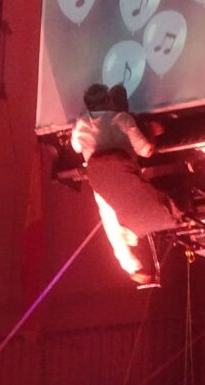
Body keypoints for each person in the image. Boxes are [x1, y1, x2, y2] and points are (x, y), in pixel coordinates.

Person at [71, 83, 179, 286]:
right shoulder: (122, 119)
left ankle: (133, 266)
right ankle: (133, 264)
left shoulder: (81, 123)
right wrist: (152, 132)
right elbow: (145, 150)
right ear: (108, 101)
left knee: (110, 219)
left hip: (101, 179)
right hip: (123, 175)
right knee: (125, 212)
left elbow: (76, 147)